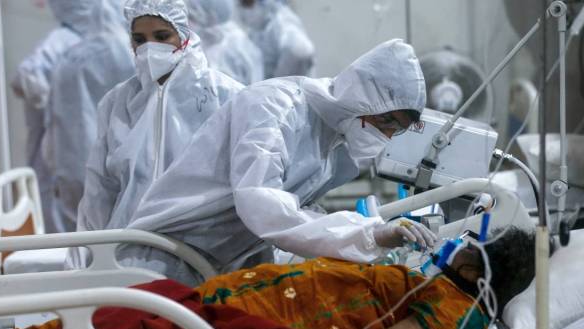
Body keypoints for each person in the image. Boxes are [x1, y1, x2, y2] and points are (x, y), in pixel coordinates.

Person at [69, 38, 436, 286]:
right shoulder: (276, 105)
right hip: (165, 260)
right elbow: (261, 203)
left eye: (396, 130)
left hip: (222, 265)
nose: (386, 136)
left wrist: (368, 234)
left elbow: (300, 211)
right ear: (363, 98)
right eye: (386, 122)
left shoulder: (332, 140)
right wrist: (367, 233)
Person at [0, 228, 542, 329]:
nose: (461, 245)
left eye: (471, 248)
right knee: (119, 312)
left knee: (122, 326)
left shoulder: (456, 314)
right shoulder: (444, 286)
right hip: (233, 305)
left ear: (477, 272)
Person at [66, 0, 245, 271]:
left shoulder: (225, 96)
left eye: (162, 37)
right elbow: (99, 193)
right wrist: (83, 265)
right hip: (129, 252)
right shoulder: (117, 104)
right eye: (140, 39)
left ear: (183, 35)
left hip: (207, 256)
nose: (150, 47)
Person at [47, 0, 136, 232]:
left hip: (73, 162)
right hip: (121, 165)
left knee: (79, 237)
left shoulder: (69, 58)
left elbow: (55, 117)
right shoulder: (131, 55)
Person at [10, 0, 94, 233]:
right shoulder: (96, 42)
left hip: (68, 158)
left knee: (67, 238)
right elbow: (27, 79)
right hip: (76, 157)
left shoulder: (65, 40)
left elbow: (24, 80)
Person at [185, 0, 264, 85]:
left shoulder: (237, 44)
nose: (191, 20)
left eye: (192, 16)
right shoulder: (204, 38)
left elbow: (254, 87)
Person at [237, 0, 315, 79]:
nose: (242, 9)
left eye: (247, 3)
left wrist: (279, 84)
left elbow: (300, 50)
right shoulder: (258, 29)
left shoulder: (282, 21)